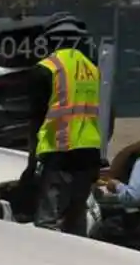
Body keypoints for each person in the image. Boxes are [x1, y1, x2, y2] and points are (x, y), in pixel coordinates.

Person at [20, 30, 103, 234]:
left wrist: (32, 163)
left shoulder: (48, 68)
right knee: (76, 218)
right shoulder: (91, 69)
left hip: (60, 153)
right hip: (89, 154)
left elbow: (37, 119)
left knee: (48, 222)